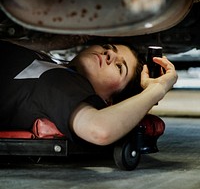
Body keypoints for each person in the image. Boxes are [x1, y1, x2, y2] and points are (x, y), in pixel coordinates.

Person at [0, 40, 177, 146]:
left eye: (118, 67)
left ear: (109, 103)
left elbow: (99, 129)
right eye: (108, 47)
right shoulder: (52, 63)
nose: (108, 54)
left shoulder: (67, 88)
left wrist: (157, 89)